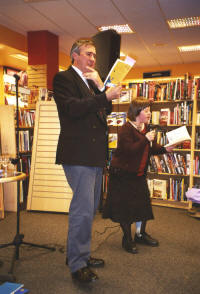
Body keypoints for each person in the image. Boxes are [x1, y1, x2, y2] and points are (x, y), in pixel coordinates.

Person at [53, 38, 121, 283]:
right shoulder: (63, 79)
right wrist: (104, 96)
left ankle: (78, 254)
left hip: (93, 155)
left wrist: (101, 85)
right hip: (78, 154)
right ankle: (77, 264)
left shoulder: (91, 82)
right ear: (75, 55)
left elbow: (108, 111)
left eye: (94, 55)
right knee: (82, 211)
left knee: (90, 209)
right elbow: (73, 108)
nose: (93, 59)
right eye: (88, 54)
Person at [103, 97, 175, 254]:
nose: (149, 113)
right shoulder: (125, 129)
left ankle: (140, 234)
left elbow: (149, 147)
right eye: (146, 111)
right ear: (137, 112)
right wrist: (145, 139)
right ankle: (127, 239)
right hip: (122, 175)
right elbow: (130, 150)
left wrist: (164, 149)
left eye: (149, 110)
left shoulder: (144, 127)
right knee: (125, 209)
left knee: (142, 206)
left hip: (138, 174)